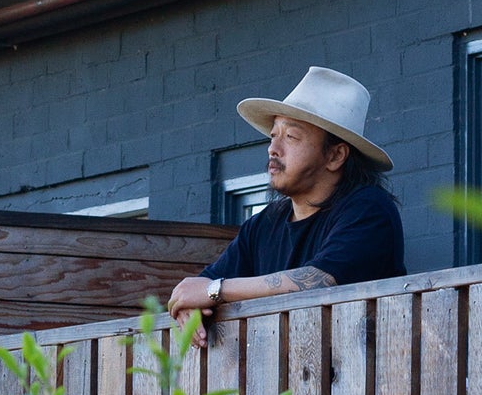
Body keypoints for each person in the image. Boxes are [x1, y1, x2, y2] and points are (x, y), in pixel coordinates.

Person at [168, 67, 404, 338]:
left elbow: (320, 282)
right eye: (273, 135)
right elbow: (202, 285)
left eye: (290, 137)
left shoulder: (369, 210)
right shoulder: (262, 225)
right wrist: (188, 305)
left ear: (335, 156)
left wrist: (214, 293)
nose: (273, 148)